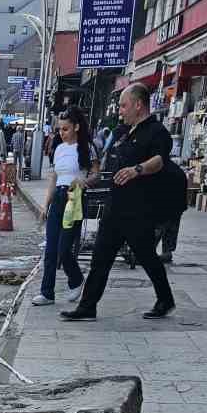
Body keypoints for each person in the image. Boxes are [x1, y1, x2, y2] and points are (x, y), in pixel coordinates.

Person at [62, 82, 175, 321]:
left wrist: (138, 169)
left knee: (147, 257)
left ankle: (165, 299)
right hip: (115, 207)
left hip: (139, 209)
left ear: (138, 104)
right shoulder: (123, 132)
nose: (120, 110)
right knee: (100, 258)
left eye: (124, 105)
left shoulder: (157, 132)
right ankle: (87, 306)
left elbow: (159, 160)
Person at [33, 107, 98, 308]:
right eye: (60, 129)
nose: (62, 133)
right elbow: (54, 178)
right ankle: (47, 292)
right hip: (59, 198)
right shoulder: (59, 149)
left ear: (76, 127)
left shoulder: (86, 147)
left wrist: (83, 181)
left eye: (66, 129)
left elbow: (96, 174)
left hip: (75, 198)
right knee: (51, 248)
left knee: (63, 247)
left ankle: (76, 278)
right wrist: (46, 205)